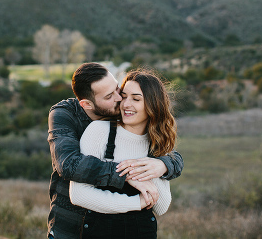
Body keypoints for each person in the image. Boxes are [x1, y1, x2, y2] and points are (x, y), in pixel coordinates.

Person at [47, 63, 184, 239]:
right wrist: (128, 174)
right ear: (87, 104)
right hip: (70, 226)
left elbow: (161, 204)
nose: (122, 101)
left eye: (118, 90)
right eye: (111, 96)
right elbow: (69, 164)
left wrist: (164, 164)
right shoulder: (67, 115)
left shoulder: (133, 122)